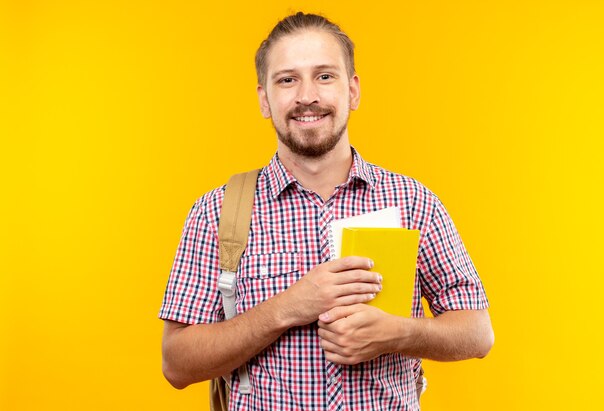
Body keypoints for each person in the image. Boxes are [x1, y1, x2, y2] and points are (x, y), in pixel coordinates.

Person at [159, 12, 494, 410]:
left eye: (324, 76)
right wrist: (287, 307)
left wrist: (398, 333)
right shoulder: (217, 213)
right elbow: (177, 363)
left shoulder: (413, 202)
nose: (306, 96)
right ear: (264, 100)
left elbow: (477, 333)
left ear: (352, 91)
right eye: (287, 79)